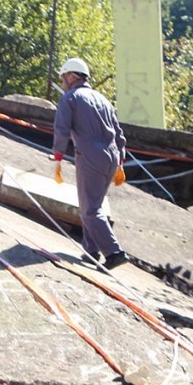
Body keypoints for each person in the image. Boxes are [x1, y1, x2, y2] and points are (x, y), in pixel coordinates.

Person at [51, 57, 129, 269]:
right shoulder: (103, 99)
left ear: (70, 76)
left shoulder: (70, 98)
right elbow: (120, 135)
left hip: (90, 155)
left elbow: (62, 129)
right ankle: (91, 249)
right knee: (92, 202)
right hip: (111, 156)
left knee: (90, 209)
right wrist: (120, 161)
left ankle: (114, 252)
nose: (63, 81)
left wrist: (57, 157)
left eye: (63, 77)